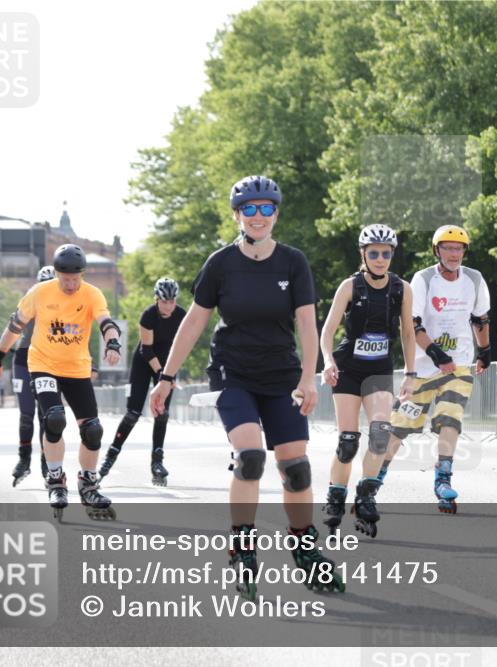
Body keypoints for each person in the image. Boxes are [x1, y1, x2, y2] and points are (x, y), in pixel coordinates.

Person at [150, 175, 344, 597]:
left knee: (296, 469)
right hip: (233, 374)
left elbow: (307, 324)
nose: (259, 216)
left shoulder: (293, 262)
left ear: (276, 213)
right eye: (250, 209)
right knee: (251, 457)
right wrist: (166, 377)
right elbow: (194, 322)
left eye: (266, 208)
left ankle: (305, 550)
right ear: (237, 215)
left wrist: (307, 378)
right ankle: (242, 546)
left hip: (281, 376)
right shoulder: (220, 264)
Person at [0, 244, 123, 519]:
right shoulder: (39, 293)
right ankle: (56, 479)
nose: (71, 284)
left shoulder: (92, 293)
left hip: (77, 369)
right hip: (43, 365)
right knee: (54, 418)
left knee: (93, 430)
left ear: (82, 275)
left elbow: (106, 322)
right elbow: (15, 327)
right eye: (65, 279)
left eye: (76, 278)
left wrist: (113, 344)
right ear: (57, 274)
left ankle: (88, 483)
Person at [379, 225, 491, 513]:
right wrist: (435, 352)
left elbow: (480, 319)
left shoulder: (475, 280)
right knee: (400, 427)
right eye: (448, 248)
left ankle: (443, 479)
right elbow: (412, 323)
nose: (454, 254)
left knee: (450, 419)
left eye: (459, 249)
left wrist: (485, 352)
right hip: (423, 368)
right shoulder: (424, 279)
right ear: (437, 250)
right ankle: (372, 482)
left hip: (460, 365)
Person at [319, 224, 416, 537]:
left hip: (379, 370)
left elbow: (407, 333)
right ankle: (335, 496)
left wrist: (411, 374)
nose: (380, 258)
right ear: (363, 254)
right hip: (348, 369)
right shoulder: (350, 286)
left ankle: (365, 497)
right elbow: (328, 329)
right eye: (373, 253)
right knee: (348, 442)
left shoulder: (402, 288)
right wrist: (328, 361)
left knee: (379, 433)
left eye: (386, 253)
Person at [99, 277, 186, 486]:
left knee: (161, 412)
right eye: (165, 301)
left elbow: (183, 347)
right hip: (144, 362)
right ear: (157, 299)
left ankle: (157, 462)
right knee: (133, 413)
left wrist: (169, 375)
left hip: (167, 364)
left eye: (172, 301)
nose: (169, 306)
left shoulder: (182, 316)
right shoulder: (148, 315)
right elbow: (146, 349)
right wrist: (161, 375)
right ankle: (110, 455)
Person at [10, 265, 55, 487]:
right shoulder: (30, 301)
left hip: (50, 362)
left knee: (47, 416)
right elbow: (13, 327)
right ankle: (23, 459)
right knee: (27, 415)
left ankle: (47, 463)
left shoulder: (66, 307)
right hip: (23, 360)